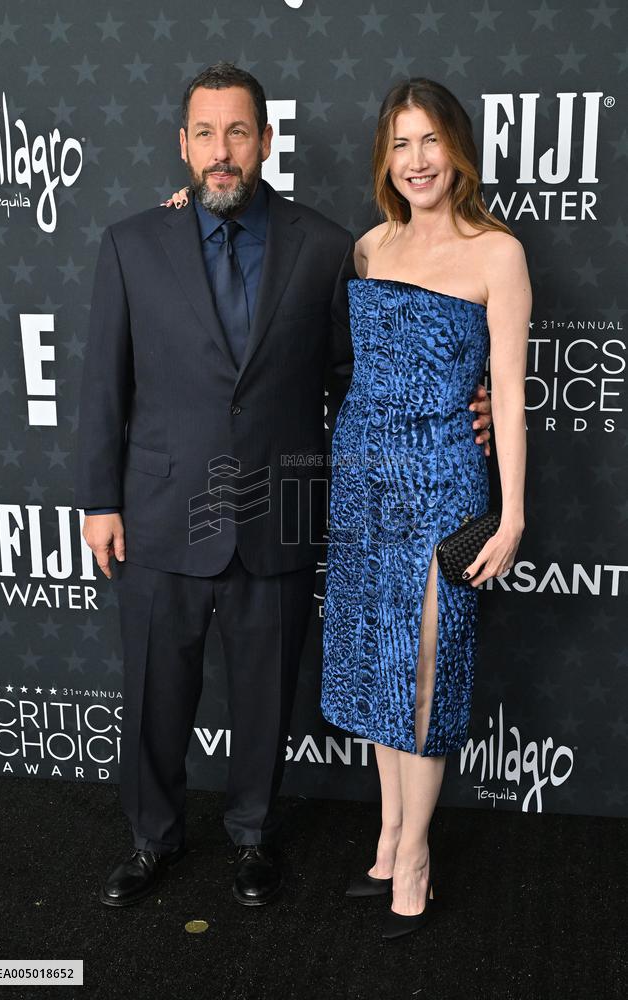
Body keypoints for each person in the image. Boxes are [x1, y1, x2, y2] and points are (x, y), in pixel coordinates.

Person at [75, 62, 493, 910]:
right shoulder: (130, 244)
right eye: (205, 133)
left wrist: (465, 397)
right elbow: (102, 386)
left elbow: (365, 368)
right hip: (160, 510)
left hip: (279, 509)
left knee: (267, 693)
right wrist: (99, 501)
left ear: (266, 141)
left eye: (239, 132)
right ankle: (152, 840)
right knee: (156, 689)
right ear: (184, 145)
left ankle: (255, 838)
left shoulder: (328, 245)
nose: (222, 151)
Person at [320, 78, 530, 940]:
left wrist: (512, 515)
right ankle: (387, 834)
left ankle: (417, 860)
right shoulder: (367, 248)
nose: (417, 162)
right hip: (362, 483)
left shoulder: (497, 254)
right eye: (401, 144)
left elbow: (509, 396)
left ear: (457, 150)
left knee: (423, 677)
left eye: (431, 142)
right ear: (385, 158)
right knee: (377, 670)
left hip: (445, 484)